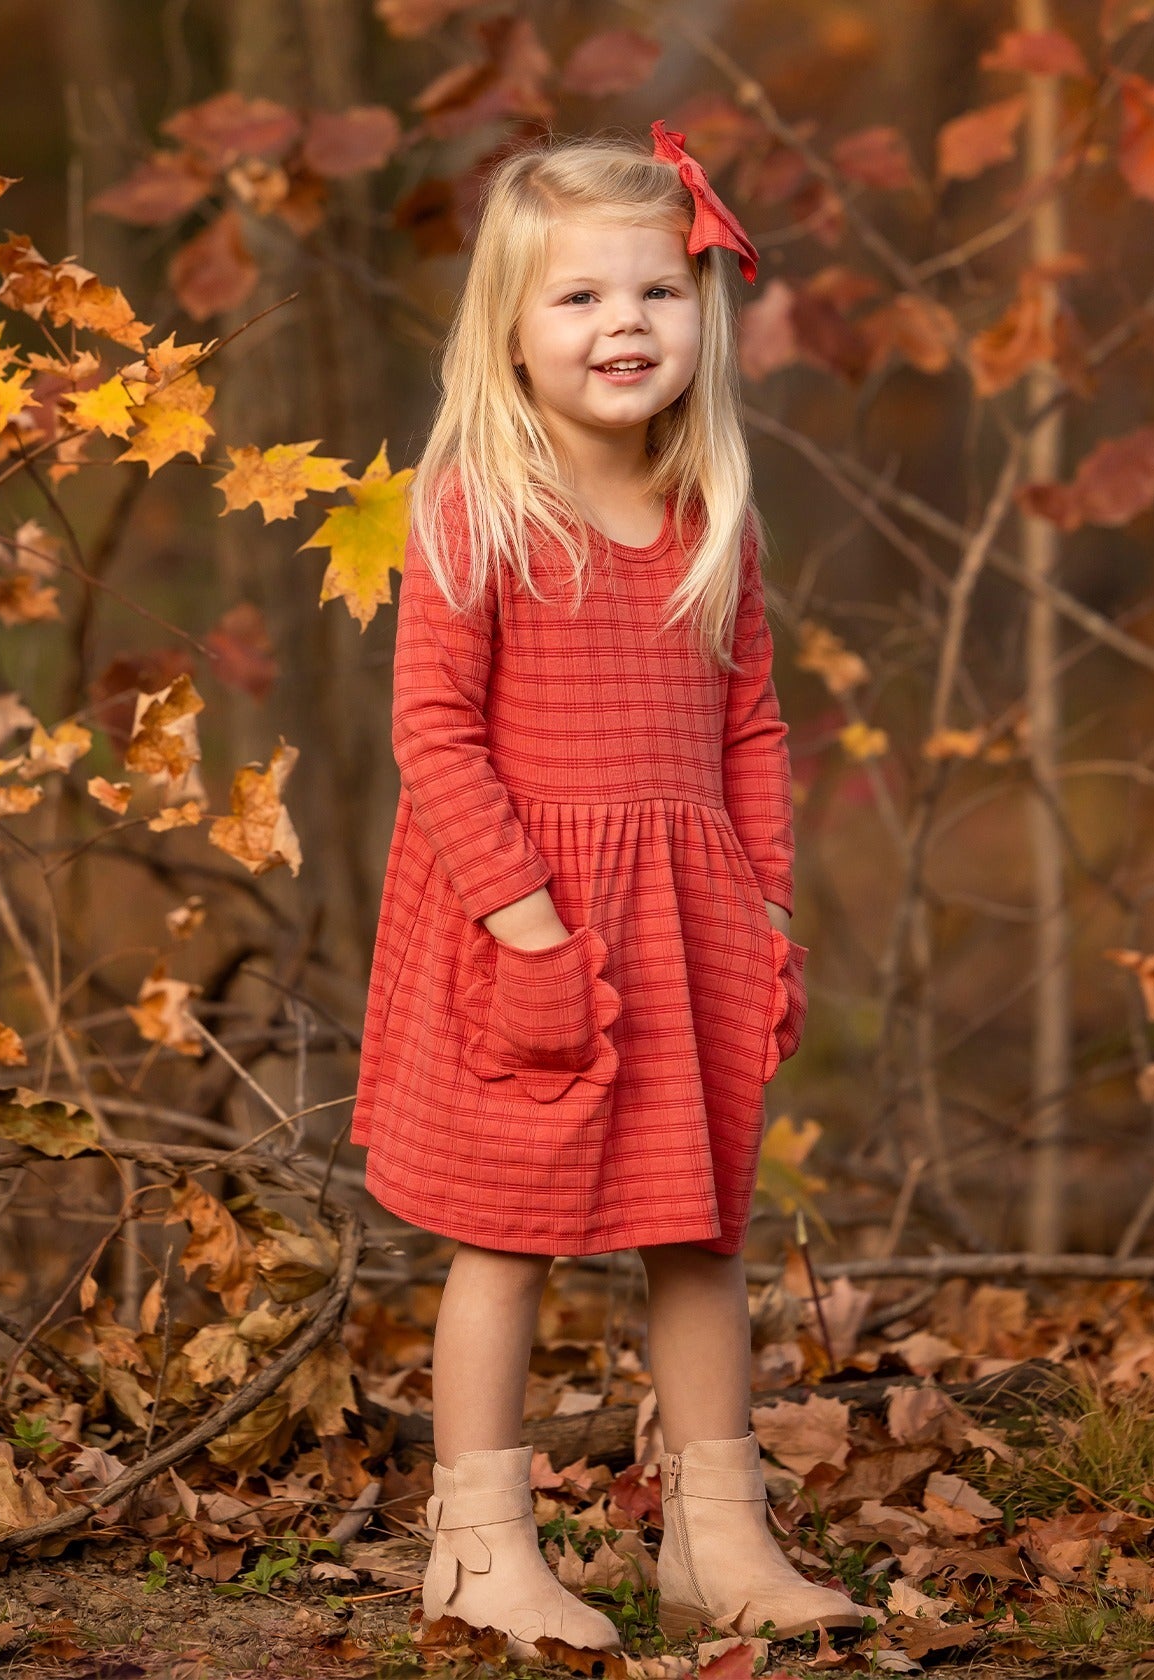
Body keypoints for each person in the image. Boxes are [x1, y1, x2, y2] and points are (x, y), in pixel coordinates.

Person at [349, 119, 863, 1655]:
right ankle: (478, 1554)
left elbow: (752, 727)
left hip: (687, 925)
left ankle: (719, 1542)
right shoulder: (480, 509)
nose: (623, 324)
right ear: (510, 330)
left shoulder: (711, 518)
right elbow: (434, 738)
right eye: (578, 296)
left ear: (700, 312)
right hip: (526, 926)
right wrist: (529, 936)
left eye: (655, 290)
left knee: (701, 1234)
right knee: (504, 1237)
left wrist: (768, 914)